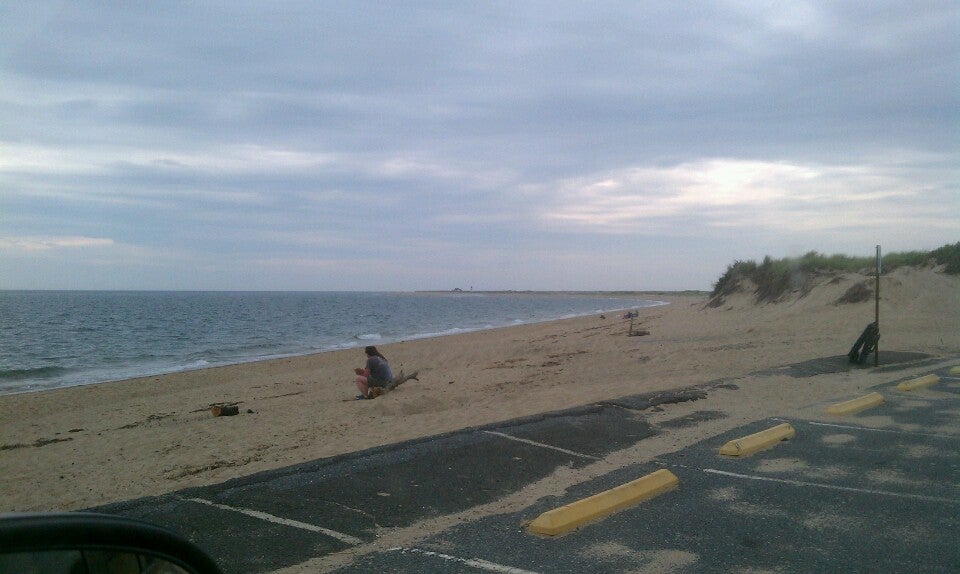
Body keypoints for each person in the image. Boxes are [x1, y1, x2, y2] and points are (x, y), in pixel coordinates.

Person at [353, 345, 419, 399]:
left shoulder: (370, 360)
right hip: (389, 379)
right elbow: (377, 370)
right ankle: (366, 393)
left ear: (368, 353)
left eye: (366, 353)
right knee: (368, 378)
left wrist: (360, 372)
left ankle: (365, 396)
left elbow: (366, 375)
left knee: (359, 379)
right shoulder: (381, 357)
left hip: (382, 382)